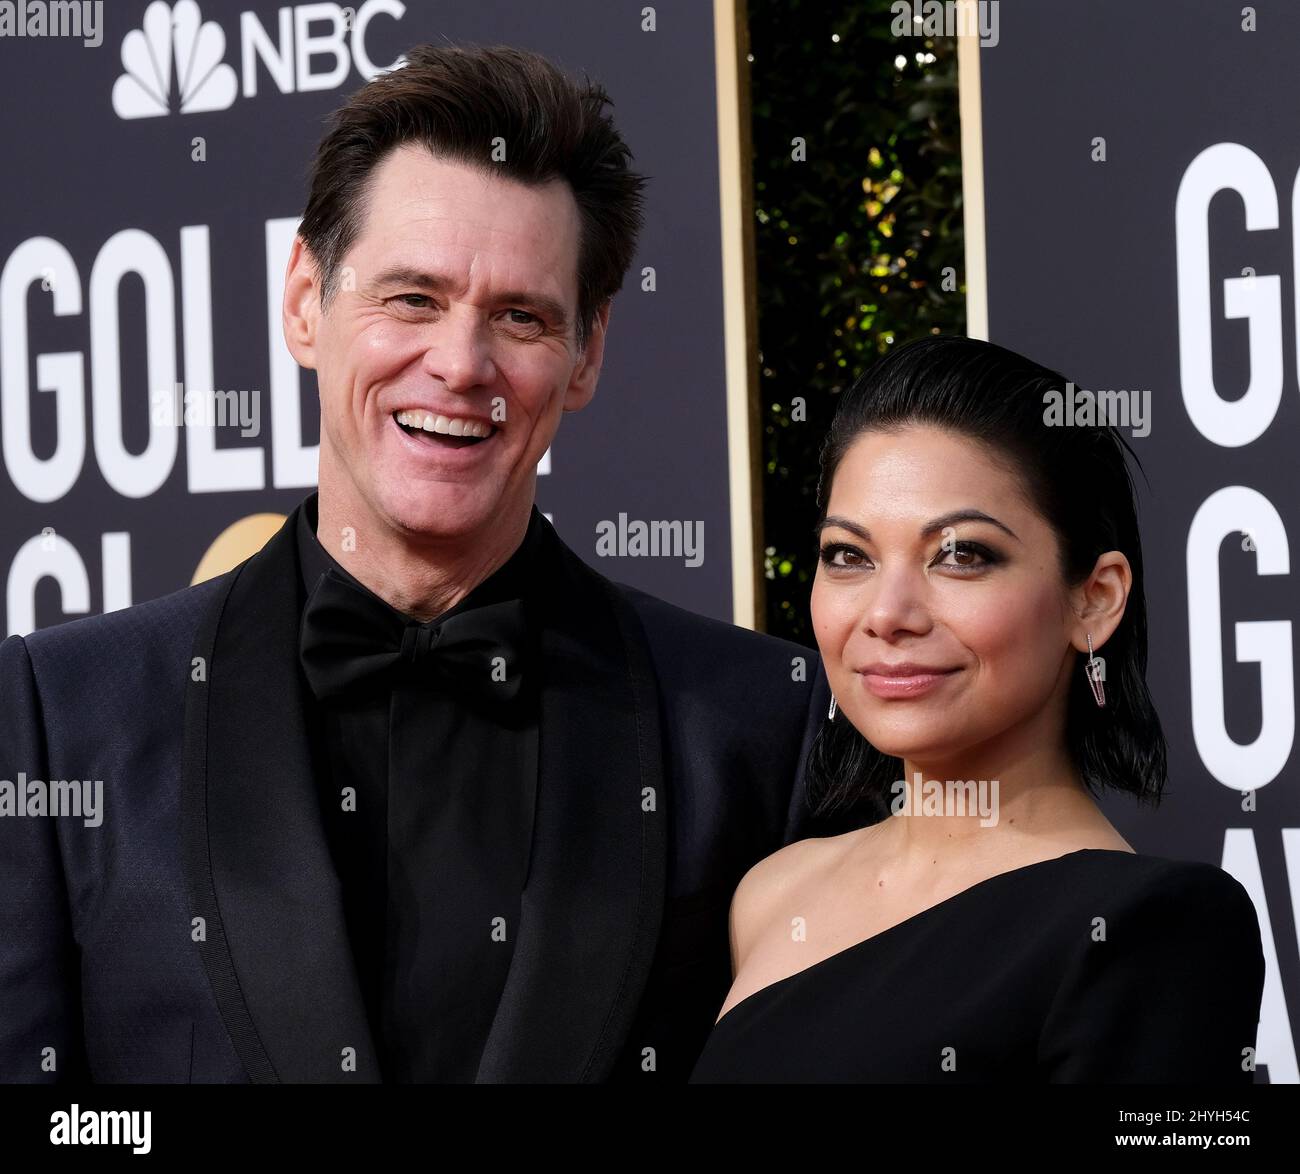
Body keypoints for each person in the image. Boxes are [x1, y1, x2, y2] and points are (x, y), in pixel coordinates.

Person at [0, 44, 829, 1084]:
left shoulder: (754, 728)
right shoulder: (64, 717)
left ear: (587, 353)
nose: (460, 363)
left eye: (520, 317)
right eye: (411, 298)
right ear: (305, 299)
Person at [690, 336, 1266, 1083]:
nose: (888, 613)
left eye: (961, 555)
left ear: (1094, 601)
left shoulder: (1158, 928)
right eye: (849, 556)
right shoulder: (770, 896)